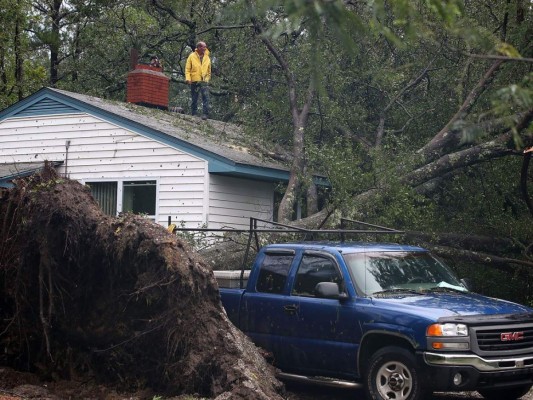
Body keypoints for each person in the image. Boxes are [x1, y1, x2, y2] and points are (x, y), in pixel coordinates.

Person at [185, 41, 211, 119]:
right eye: (203, 47)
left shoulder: (207, 57)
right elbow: (187, 69)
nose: (205, 48)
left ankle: (205, 114)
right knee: (194, 97)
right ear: (199, 47)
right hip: (194, 80)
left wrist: (207, 79)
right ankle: (194, 113)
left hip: (204, 81)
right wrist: (188, 78)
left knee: (206, 97)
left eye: (205, 46)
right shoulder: (192, 56)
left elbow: (209, 71)